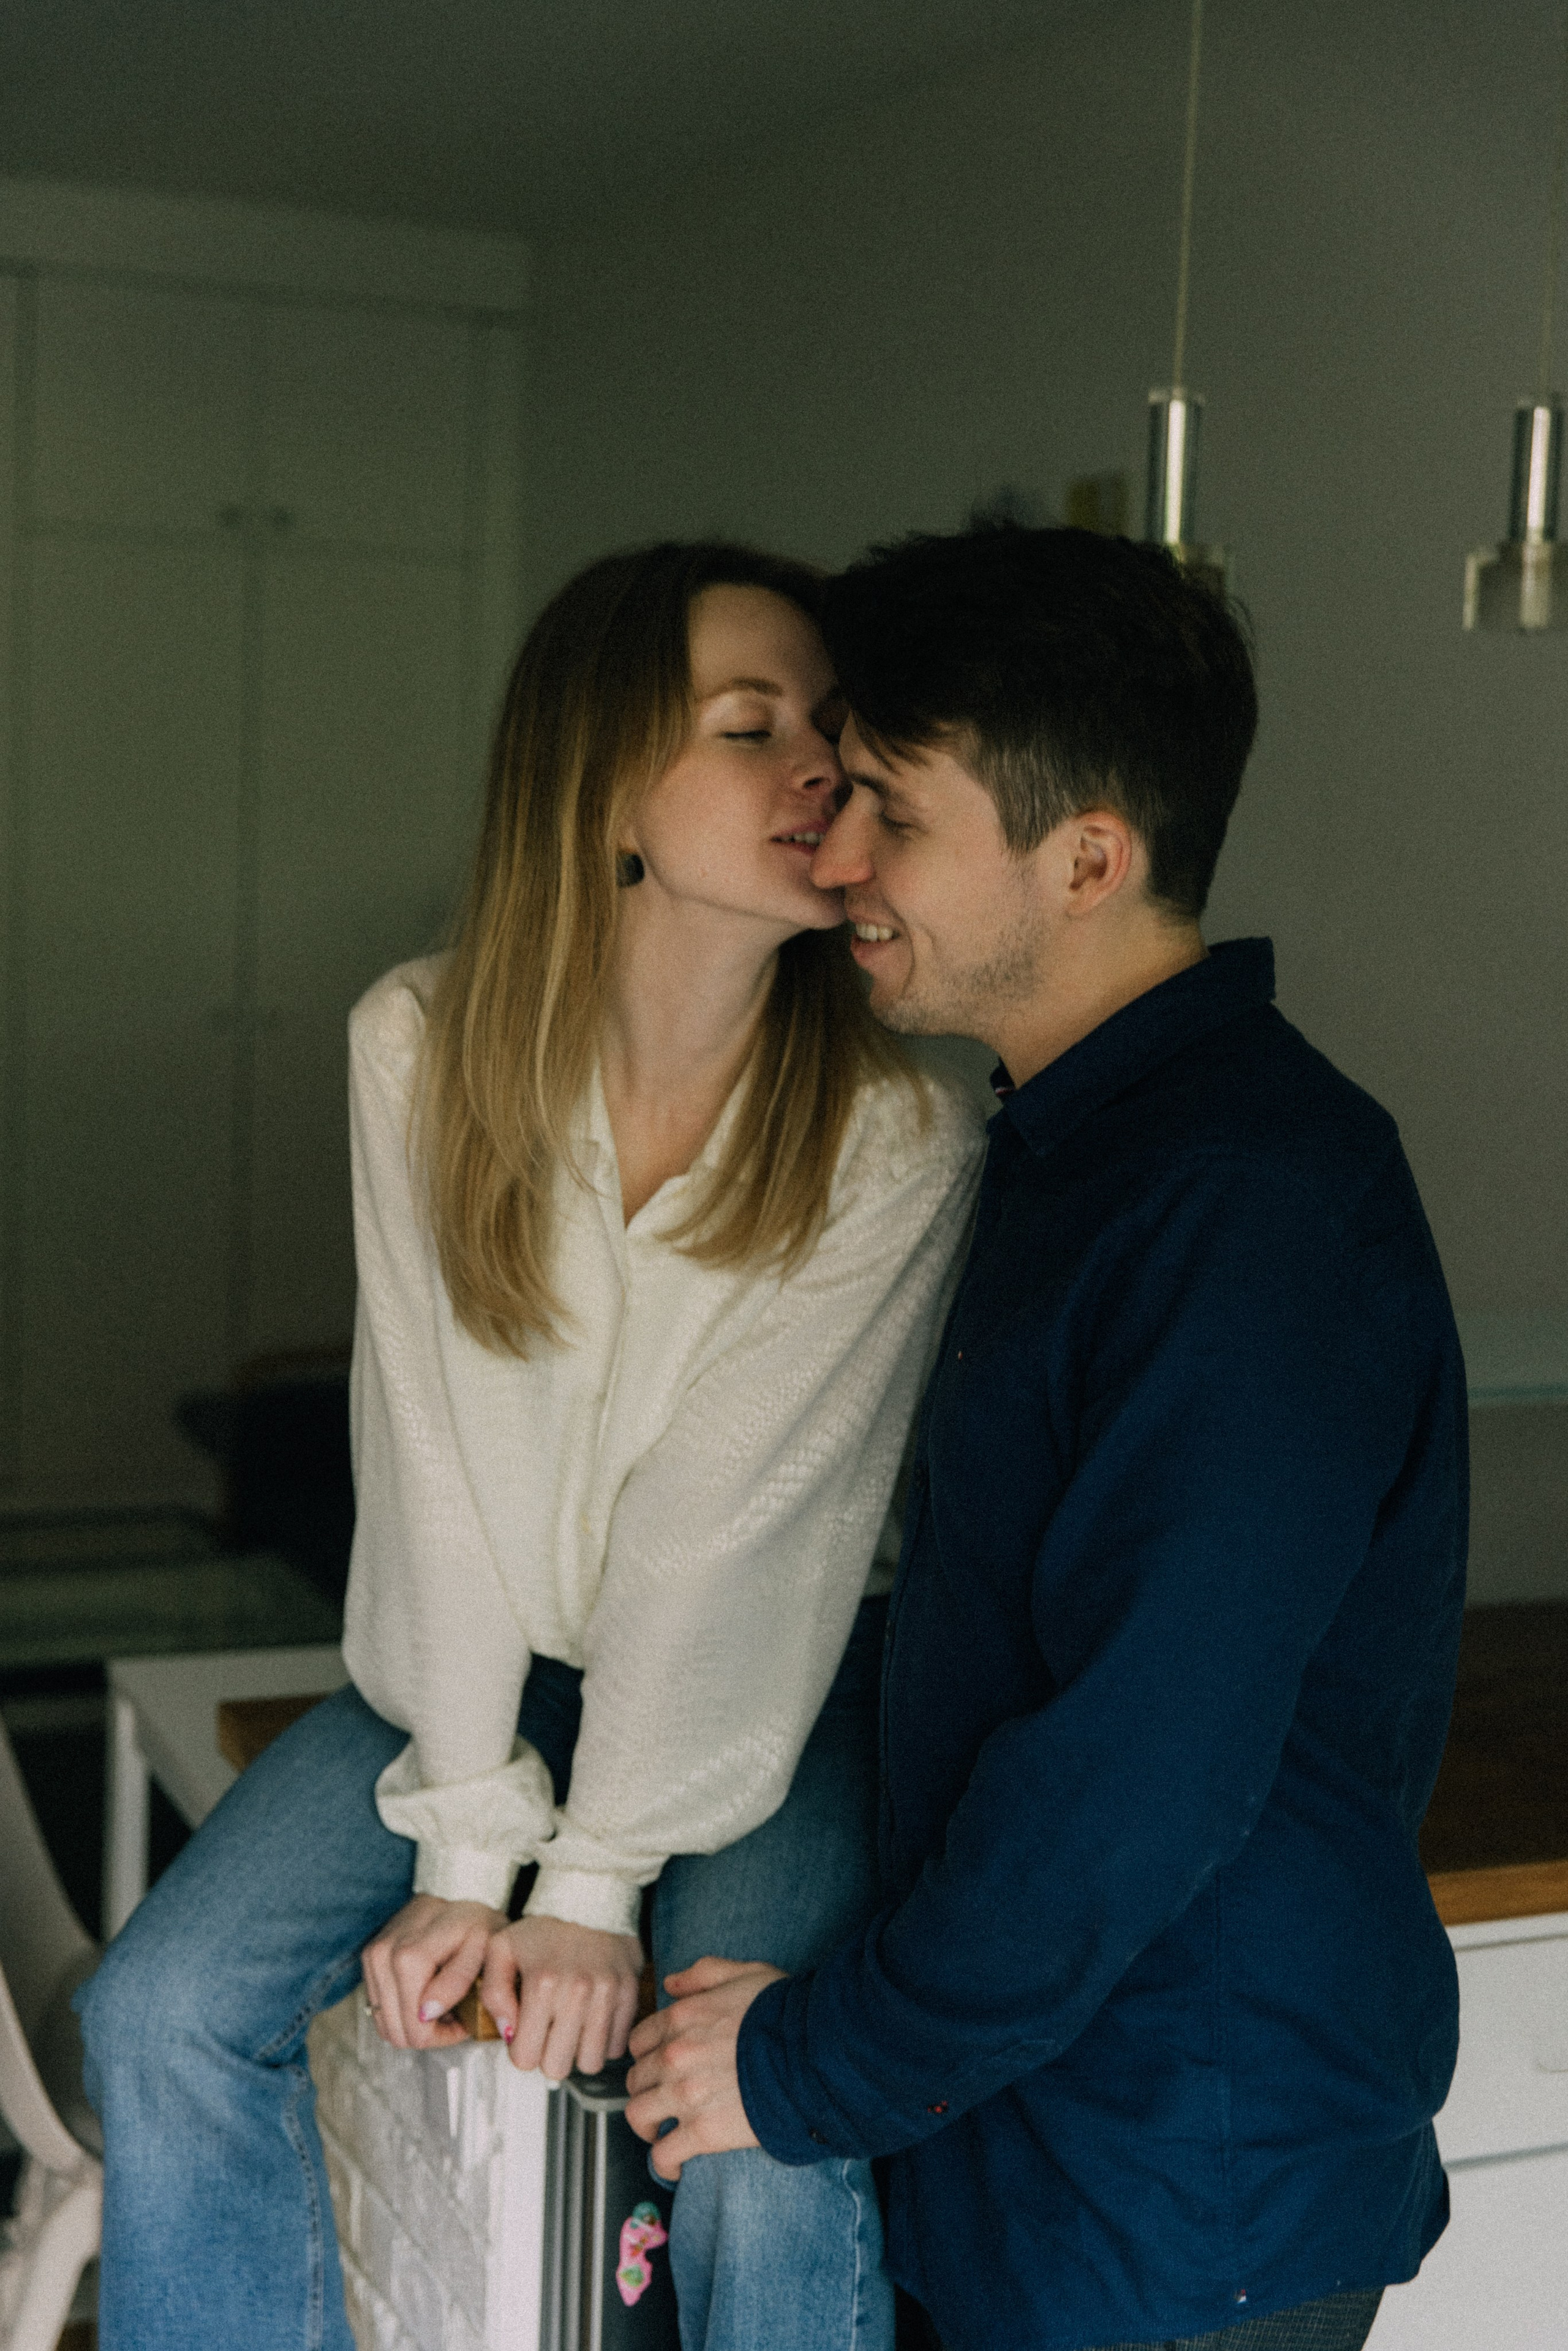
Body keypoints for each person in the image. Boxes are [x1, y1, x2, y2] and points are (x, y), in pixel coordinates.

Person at [76, 541, 983, 2351]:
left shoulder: (905, 1122)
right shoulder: (423, 1048)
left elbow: (729, 1530)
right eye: (750, 726)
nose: (821, 763)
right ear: (606, 789)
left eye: (830, 724)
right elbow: (436, 1461)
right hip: (480, 1668)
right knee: (160, 2011)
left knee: (748, 2105)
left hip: (772, 1690)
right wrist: (467, 1849)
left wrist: (584, 1890)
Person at [625, 524, 1468, 2351]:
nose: (837, 858)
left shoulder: (1248, 1201)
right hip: (1048, 2159)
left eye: (898, 819)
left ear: (1091, 856)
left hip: (1180, 2187)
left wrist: (810, 2066)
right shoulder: (1069, 1154)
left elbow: (1130, 1768)